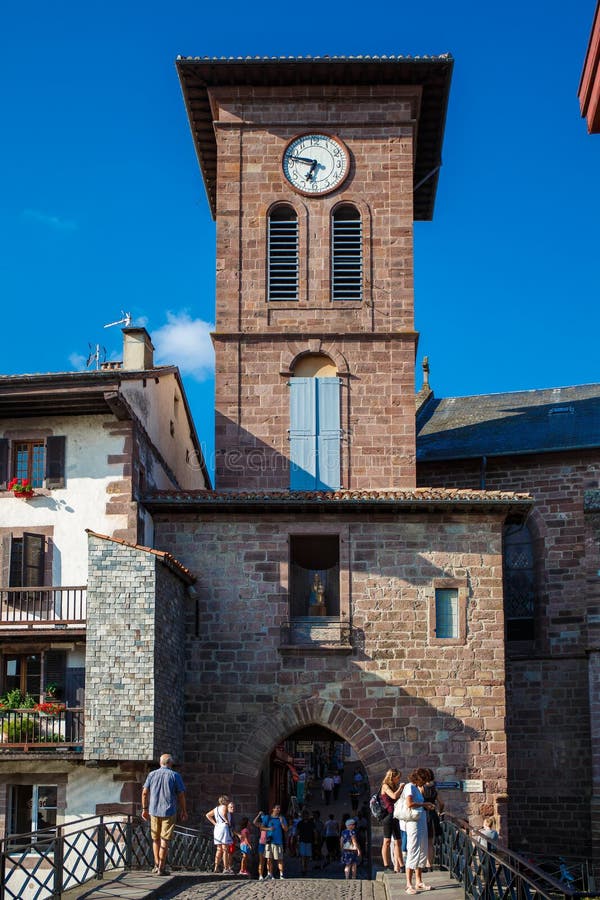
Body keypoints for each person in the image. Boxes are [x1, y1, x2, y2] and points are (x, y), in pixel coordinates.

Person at [141, 753, 187, 876]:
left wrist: (144, 809)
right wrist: (183, 810)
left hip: (153, 810)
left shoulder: (151, 775)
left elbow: (145, 793)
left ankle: (156, 865)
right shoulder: (175, 775)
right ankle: (161, 867)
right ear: (170, 763)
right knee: (164, 839)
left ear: (160, 762)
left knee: (155, 839)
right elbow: (181, 795)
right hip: (169, 810)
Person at [399, 768, 435, 894]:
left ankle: (418, 881)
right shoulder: (409, 787)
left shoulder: (417, 788)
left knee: (422, 850)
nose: (425, 783)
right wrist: (425, 805)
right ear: (419, 778)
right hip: (413, 824)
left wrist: (425, 805)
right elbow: (409, 804)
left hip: (421, 821)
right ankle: (408, 884)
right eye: (424, 780)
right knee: (413, 850)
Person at [379, 768, 405, 872]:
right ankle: (386, 865)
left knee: (398, 841)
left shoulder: (395, 786)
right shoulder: (385, 786)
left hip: (395, 815)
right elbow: (393, 796)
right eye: (397, 778)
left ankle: (401, 865)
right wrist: (400, 788)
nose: (398, 780)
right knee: (387, 841)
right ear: (392, 777)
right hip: (388, 816)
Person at [206, 794, 234, 874]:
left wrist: (214, 823)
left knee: (219, 849)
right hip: (223, 827)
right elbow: (225, 814)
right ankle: (226, 868)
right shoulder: (224, 807)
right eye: (227, 800)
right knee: (225, 849)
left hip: (217, 828)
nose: (228, 801)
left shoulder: (216, 808)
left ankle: (216, 867)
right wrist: (227, 821)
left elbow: (208, 815)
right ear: (225, 801)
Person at [422, 768, 444, 869]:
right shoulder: (434, 788)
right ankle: (429, 864)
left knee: (422, 841)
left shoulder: (421, 787)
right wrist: (439, 811)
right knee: (430, 842)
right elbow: (442, 803)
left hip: (423, 814)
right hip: (432, 814)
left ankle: (421, 864)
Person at [264, 803, 288, 880]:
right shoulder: (268, 818)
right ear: (273, 809)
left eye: (279, 808)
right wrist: (268, 829)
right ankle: (270, 874)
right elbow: (261, 827)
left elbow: (286, 829)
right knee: (269, 858)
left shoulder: (282, 818)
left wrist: (281, 822)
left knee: (279, 859)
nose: (278, 810)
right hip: (269, 841)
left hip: (278, 841)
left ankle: (281, 874)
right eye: (277, 808)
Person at [252, 811, 273, 881]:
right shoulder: (261, 824)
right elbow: (254, 822)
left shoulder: (270, 825)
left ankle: (269, 874)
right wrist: (258, 815)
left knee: (269, 860)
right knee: (262, 860)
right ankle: (260, 875)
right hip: (262, 843)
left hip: (268, 843)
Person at [296, 808, 315, 875]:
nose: (305, 816)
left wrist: (315, 839)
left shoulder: (311, 823)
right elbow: (297, 832)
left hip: (309, 840)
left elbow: (314, 832)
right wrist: (297, 840)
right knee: (303, 855)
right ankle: (303, 868)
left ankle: (306, 867)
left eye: (306, 815)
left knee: (307, 856)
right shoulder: (300, 823)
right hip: (302, 841)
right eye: (304, 815)